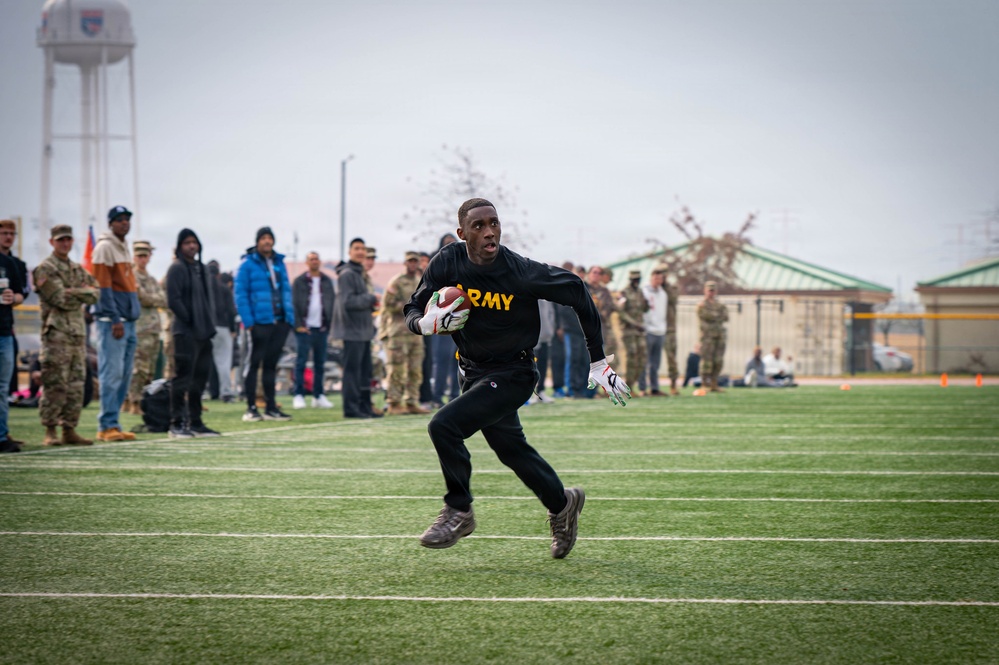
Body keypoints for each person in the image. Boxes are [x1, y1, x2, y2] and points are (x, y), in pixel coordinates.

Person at [403, 198, 630, 559]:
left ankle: (459, 509)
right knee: (511, 450)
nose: (489, 231)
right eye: (478, 226)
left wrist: (597, 359)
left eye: (494, 223)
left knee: (442, 426)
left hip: (514, 372)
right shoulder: (447, 261)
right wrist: (424, 323)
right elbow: (412, 307)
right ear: (462, 234)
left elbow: (577, 292)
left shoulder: (520, 271)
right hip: (474, 371)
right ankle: (563, 504)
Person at [31, 226, 100, 449]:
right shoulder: (45, 268)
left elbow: (95, 293)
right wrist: (78, 293)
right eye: (61, 240)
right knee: (55, 383)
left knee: (76, 384)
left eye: (68, 239)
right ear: (52, 242)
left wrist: (73, 292)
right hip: (56, 335)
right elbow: (59, 298)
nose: (65, 243)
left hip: (77, 335)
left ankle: (69, 428)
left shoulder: (76, 269)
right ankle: (50, 429)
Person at [91, 205, 140, 442]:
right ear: (110, 223)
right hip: (113, 322)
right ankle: (106, 425)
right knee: (111, 374)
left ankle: (114, 423)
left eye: (127, 219)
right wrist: (114, 318)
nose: (124, 223)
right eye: (119, 220)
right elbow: (103, 288)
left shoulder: (122, 247)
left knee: (124, 376)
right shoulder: (104, 248)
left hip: (128, 321)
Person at [235, 226, 294, 422]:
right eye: (263, 238)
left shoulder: (279, 262)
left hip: (279, 321)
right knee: (253, 364)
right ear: (257, 241)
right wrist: (249, 321)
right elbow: (240, 294)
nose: (267, 242)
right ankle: (251, 407)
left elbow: (286, 290)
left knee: (271, 365)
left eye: (270, 238)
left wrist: (289, 318)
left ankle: (271, 406)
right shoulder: (247, 264)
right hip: (259, 322)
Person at [165, 229, 219, 438]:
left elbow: (208, 301)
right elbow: (174, 300)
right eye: (187, 243)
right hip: (185, 332)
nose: (191, 246)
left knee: (199, 380)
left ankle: (195, 422)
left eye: (194, 242)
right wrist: (190, 320)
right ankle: (176, 423)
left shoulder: (202, 269)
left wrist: (207, 325)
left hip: (204, 333)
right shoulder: (176, 269)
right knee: (182, 379)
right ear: (180, 246)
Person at [333, 237, 381, 419]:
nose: (360, 251)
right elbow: (348, 302)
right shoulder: (347, 274)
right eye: (357, 248)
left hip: (363, 331)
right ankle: (351, 409)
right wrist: (370, 298)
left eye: (363, 248)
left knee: (364, 371)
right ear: (350, 251)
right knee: (352, 372)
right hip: (351, 331)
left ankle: (364, 407)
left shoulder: (359, 272)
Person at [379, 251, 427, 415]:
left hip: (415, 332)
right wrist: (408, 307)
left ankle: (412, 401)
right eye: (410, 261)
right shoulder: (397, 282)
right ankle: (394, 403)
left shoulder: (420, 281)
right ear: (405, 263)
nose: (413, 264)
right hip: (398, 332)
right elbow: (387, 305)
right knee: (397, 369)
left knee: (415, 368)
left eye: (415, 261)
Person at [126, 240, 166, 414]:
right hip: (139, 328)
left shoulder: (150, 279)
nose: (143, 259)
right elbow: (142, 298)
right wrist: (149, 297)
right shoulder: (132, 277)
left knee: (149, 369)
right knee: (138, 368)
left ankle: (143, 400)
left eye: (145, 255)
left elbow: (162, 299)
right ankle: (133, 401)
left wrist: (148, 296)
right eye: (139, 256)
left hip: (153, 328)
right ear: (134, 257)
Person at [292, 251, 335, 409]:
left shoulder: (326, 281)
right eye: (311, 259)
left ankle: (318, 395)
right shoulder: (299, 281)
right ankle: (299, 394)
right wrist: (298, 325)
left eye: (316, 259)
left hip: (322, 328)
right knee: (301, 362)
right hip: (304, 328)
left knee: (320, 363)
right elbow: (294, 304)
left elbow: (332, 303)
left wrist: (329, 325)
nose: (314, 262)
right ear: (306, 262)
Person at [0, 220, 29, 408]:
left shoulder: (14, 264)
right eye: (4, 233)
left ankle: (2, 433)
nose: (9, 237)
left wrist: (14, 298)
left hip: (5, 327)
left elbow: (22, 292)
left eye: (12, 233)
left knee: (3, 385)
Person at [207, 260, 238, 402]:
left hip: (206, 327)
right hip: (223, 327)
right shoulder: (224, 288)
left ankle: (205, 391)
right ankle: (225, 392)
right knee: (224, 362)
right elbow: (231, 311)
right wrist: (233, 329)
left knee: (205, 361)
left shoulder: (203, 288)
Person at [618, 269, 649, 393]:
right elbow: (621, 313)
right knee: (632, 358)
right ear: (630, 280)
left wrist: (647, 303)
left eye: (638, 279)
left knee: (642, 359)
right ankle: (628, 387)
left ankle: (631, 385)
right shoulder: (624, 293)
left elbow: (645, 310)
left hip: (639, 332)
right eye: (634, 279)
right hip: (629, 331)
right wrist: (634, 324)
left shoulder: (640, 292)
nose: (636, 281)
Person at [697, 281, 728, 393]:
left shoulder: (720, 305)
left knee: (718, 361)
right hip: (707, 337)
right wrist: (716, 316)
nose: (711, 292)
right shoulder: (702, 305)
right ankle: (704, 383)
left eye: (713, 290)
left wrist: (713, 316)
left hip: (719, 336)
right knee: (706, 361)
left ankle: (714, 383)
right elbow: (705, 316)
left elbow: (725, 317)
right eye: (709, 290)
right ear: (705, 291)